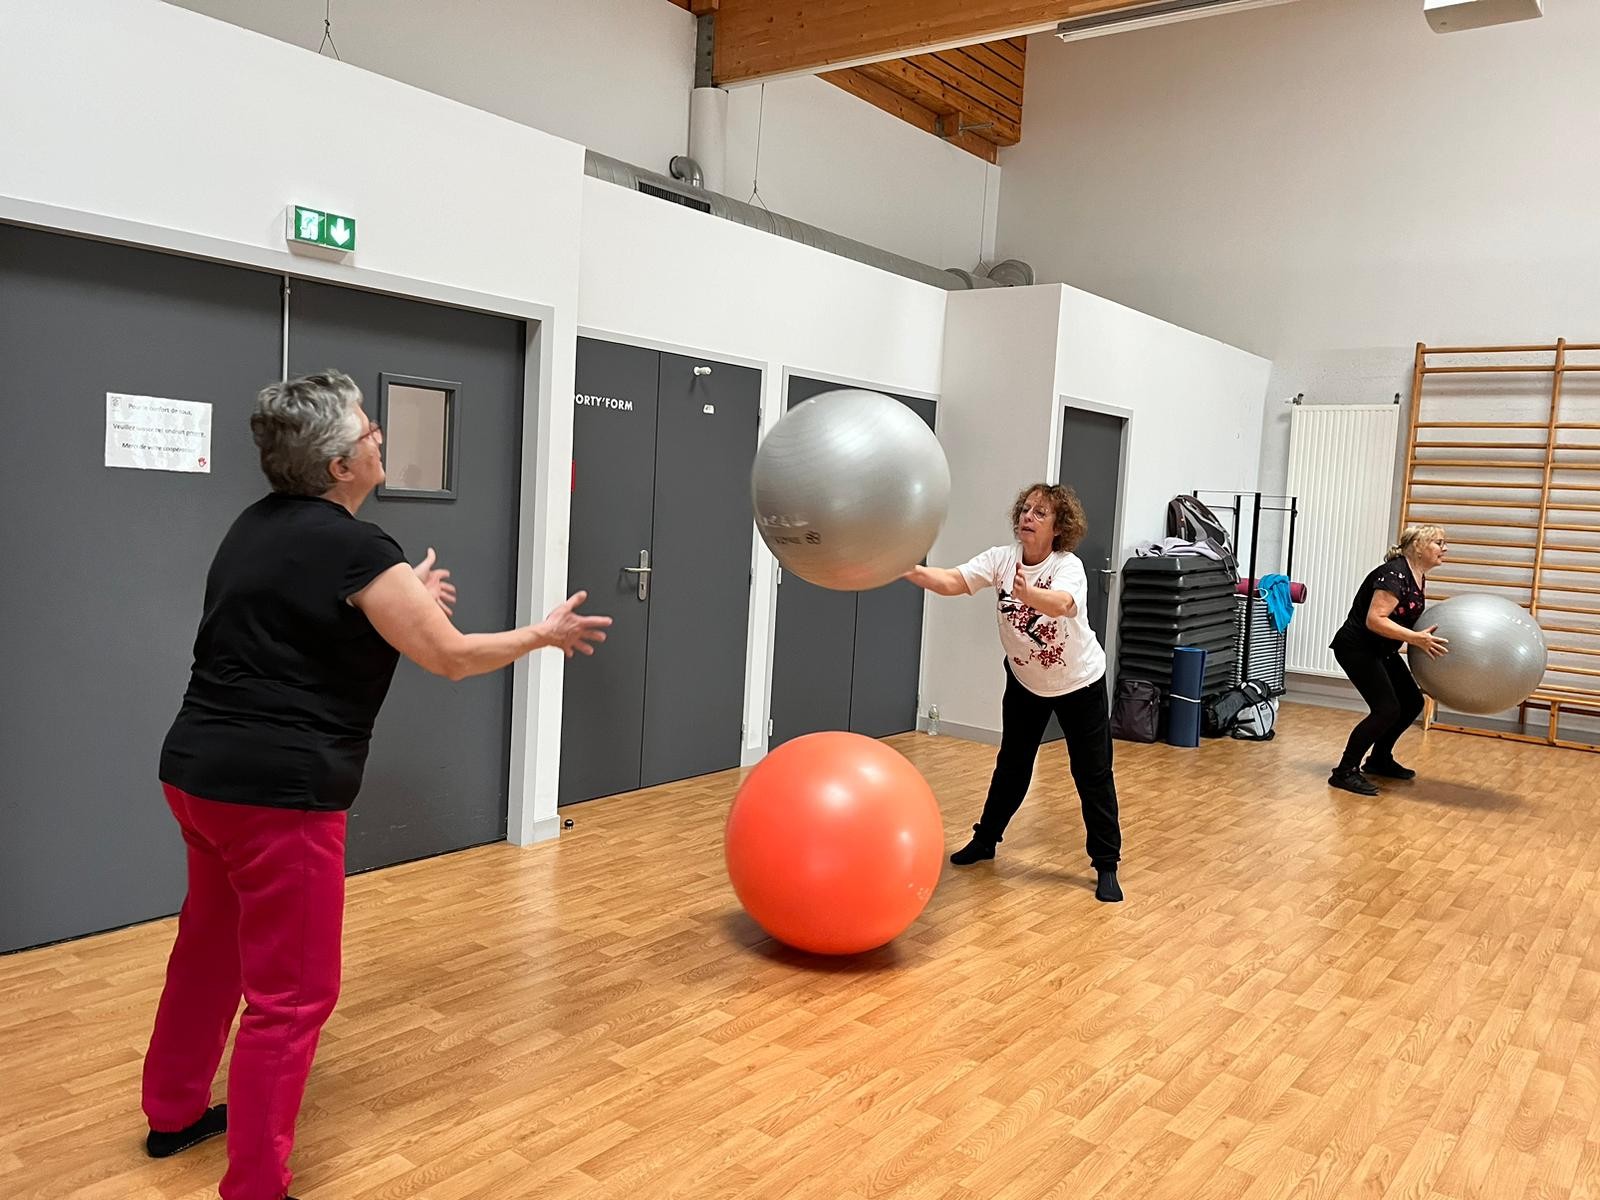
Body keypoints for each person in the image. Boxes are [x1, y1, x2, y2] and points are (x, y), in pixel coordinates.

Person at [140, 371, 610, 1200]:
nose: (377, 435)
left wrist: (407, 597)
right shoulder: (358, 548)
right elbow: (452, 657)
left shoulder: (255, 527)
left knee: (208, 950)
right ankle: (255, 1185)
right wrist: (543, 633)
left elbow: (312, 623)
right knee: (291, 997)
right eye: (367, 432)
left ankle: (173, 1112)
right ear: (337, 467)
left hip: (198, 779)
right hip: (280, 799)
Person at [904, 482, 1124, 903]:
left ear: (1059, 527)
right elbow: (954, 580)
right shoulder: (1001, 560)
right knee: (1012, 765)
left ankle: (1106, 864)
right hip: (1026, 683)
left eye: (1040, 512)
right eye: (1025, 509)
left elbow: (1061, 604)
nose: (1028, 516)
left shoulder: (1068, 566)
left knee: (1092, 774)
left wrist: (1029, 594)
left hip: (1080, 682)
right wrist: (908, 570)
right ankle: (986, 840)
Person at [1327, 523, 1449, 796]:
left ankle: (1379, 759)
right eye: (1438, 543)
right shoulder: (1394, 574)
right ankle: (1344, 771)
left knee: (1411, 702)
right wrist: (1417, 639)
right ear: (1418, 547)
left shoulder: (1416, 574)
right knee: (1386, 709)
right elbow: (1375, 620)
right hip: (1357, 648)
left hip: (1381, 650)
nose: (1444, 548)